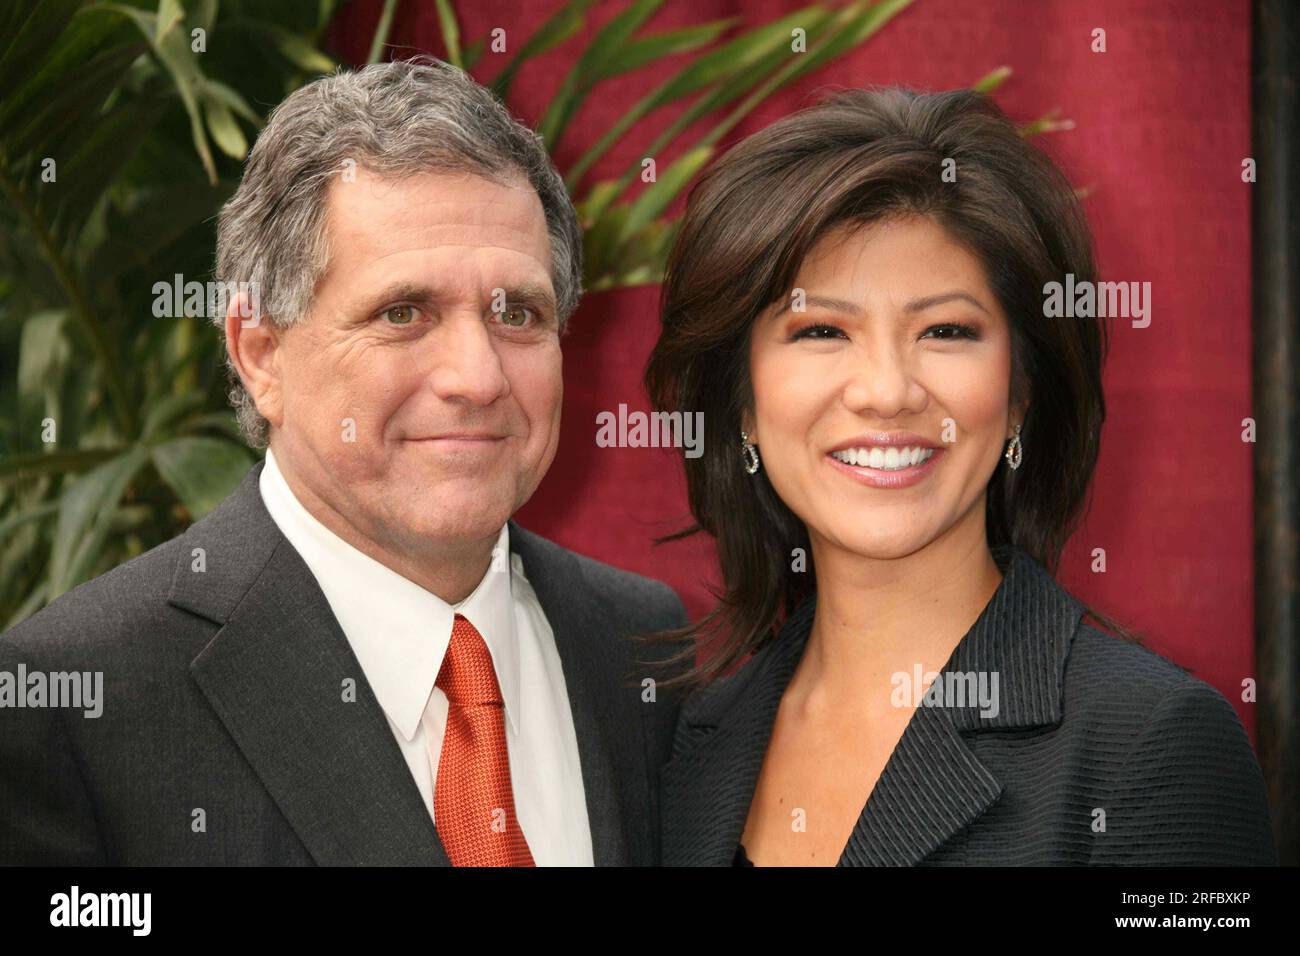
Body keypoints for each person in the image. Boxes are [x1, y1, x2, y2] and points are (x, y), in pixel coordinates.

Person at [0, 58, 686, 866]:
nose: (477, 377)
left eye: (518, 314)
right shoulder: (76, 703)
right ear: (260, 354)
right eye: (403, 313)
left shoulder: (648, 647)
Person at [644, 87, 1277, 866]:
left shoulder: (1152, 745)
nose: (886, 390)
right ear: (741, 404)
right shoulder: (689, 742)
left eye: (946, 330)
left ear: (1019, 396)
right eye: (820, 330)